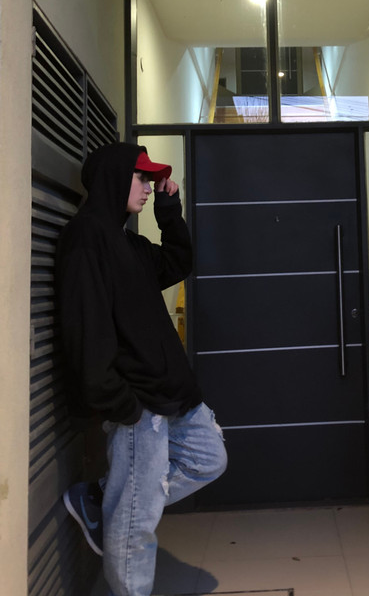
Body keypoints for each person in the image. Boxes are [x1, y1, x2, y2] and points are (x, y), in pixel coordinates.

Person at [56, 142, 227, 596]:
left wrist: (169, 210)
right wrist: (122, 405)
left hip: (172, 394)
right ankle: (119, 514)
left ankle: (103, 497)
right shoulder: (86, 237)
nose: (150, 187)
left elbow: (177, 262)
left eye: (151, 180)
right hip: (138, 403)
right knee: (136, 524)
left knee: (208, 458)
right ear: (114, 178)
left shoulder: (128, 242)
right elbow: (84, 328)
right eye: (142, 178)